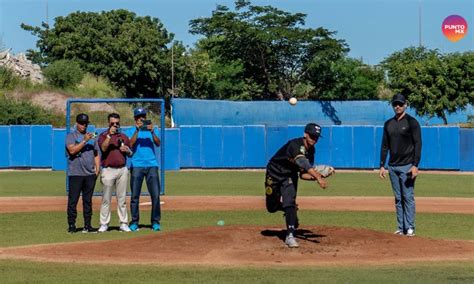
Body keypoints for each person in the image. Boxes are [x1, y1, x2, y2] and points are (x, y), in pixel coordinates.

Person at [265, 123, 328, 248]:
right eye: (312, 136)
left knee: (289, 202)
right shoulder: (295, 144)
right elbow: (302, 162)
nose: (314, 140)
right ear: (305, 134)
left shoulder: (311, 150)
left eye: (316, 137)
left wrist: (319, 177)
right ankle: (290, 211)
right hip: (274, 172)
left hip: (289, 175)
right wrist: (317, 176)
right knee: (271, 207)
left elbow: (303, 174)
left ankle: (290, 235)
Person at [379, 94, 422, 237]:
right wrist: (382, 165)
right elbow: (385, 146)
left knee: (407, 197)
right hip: (392, 166)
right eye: (395, 104)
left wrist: (415, 165)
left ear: (406, 105)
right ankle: (401, 227)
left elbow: (418, 144)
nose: (397, 106)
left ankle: (410, 227)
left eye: (400, 104)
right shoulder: (388, 124)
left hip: (407, 166)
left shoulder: (412, 122)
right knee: (398, 198)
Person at [125, 107, 162, 232]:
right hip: (136, 165)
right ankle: (134, 222)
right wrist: (137, 130)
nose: (141, 119)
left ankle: (155, 222)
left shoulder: (152, 129)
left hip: (152, 165)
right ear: (135, 119)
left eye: (143, 117)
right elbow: (130, 143)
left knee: (155, 195)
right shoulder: (131, 130)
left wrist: (152, 132)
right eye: (139, 117)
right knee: (135, 196)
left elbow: (158, 143)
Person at [97, 113, 133, 233]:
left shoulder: (123, 136)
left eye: (117, 123)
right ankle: (104, 224)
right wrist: (109, 136)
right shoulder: (103, 135)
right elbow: (103, 148)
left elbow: (130, 153)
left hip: (122, 169)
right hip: (108, 170)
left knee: (122, 199)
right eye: (113, 123)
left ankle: (123, 223)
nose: (115, 125)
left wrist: (127, 150)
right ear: (109, 123)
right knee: (106, 199)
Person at [65, 113, 100, 233]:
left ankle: (87, 225)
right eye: (81, 123)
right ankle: (71, 225)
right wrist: (84, 141)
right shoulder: (71, 136)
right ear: (77, 123)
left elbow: (96, 153)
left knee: (87, 201)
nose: (83, 126)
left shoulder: (92, 137)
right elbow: (72, 150)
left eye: (85, 123)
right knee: (73, 200)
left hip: (89, 174)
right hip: (75, 173)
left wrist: (97, 168)